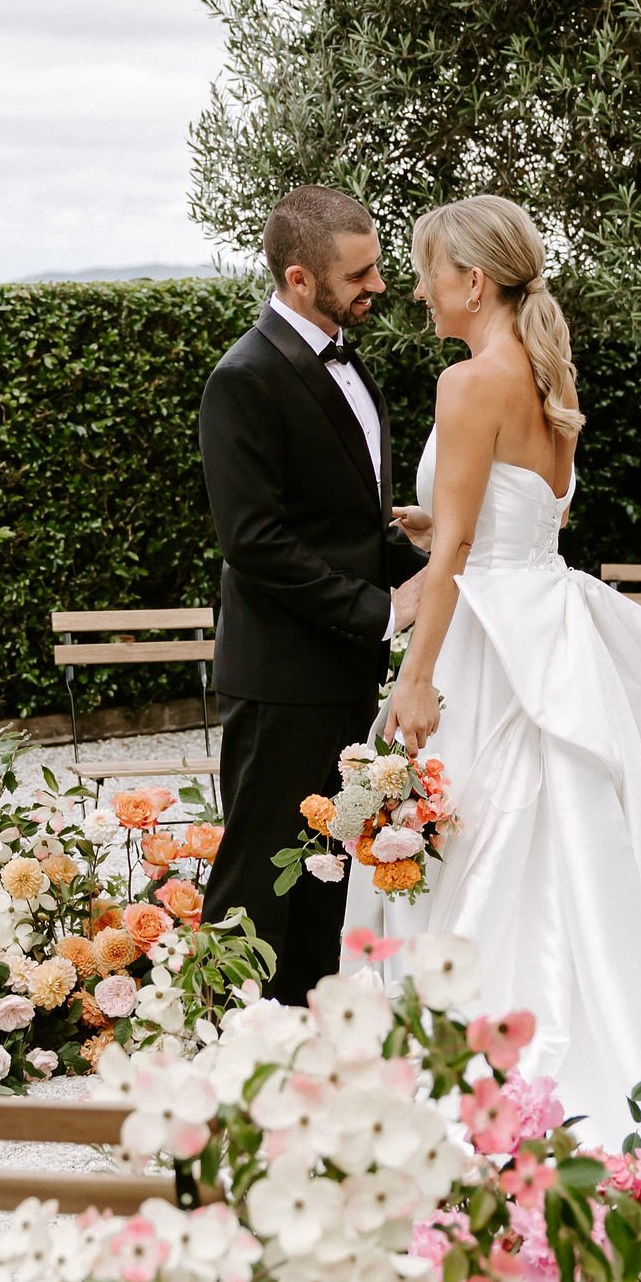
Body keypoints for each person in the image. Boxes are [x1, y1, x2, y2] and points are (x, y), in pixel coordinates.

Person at [347, 194, 641, 1146]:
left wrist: (416, 680)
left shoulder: (468, 384)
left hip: (487, 646)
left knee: (466, 837)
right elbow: (531, 520)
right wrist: (447, 527)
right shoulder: (548, 380)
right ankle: (572, 1043)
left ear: (472, 280)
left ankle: (470, 1067)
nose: (417, 291)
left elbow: (460, 553)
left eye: (427, 272)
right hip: (546, 625)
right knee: (547, 841)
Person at [198, 185, 429, 1001]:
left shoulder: (346, 359)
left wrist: (411, 554)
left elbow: (340, 524)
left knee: (329, 874)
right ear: (300, 278)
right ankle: (215, 1045)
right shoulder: (245, 378)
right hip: (281, 678)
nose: (378, 286)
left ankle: (303, 1036)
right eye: (360, 273)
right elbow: (254, 542)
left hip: (341, 674)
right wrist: (381, 611)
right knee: (260, 877)